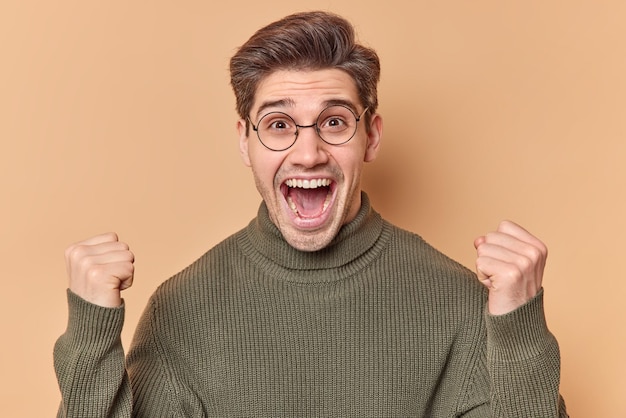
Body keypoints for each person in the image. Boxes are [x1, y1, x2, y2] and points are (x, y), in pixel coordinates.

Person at [54, 10, 568, 417]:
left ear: (372, 136)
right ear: (244, 141)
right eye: (279, 124)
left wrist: (519, 332)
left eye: (334, 122)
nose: (308, 153)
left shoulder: (458, 304)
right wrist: (90, 333)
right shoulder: (182, 310)